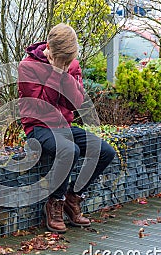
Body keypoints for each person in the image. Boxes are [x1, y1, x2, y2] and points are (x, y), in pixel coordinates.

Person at [18, 23, 116, 233]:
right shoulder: (28, 66)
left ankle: (73, 199)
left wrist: (63, 74)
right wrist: (56, 74)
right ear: (51, 50)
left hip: (64, 126)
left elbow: (75, 103)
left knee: (105, 151)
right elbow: (39, 108)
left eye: (69, 61)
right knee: (70, 150)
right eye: (63, 61)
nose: (66, 64)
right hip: (38, 128)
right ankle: (55, 202)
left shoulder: (71, 64)